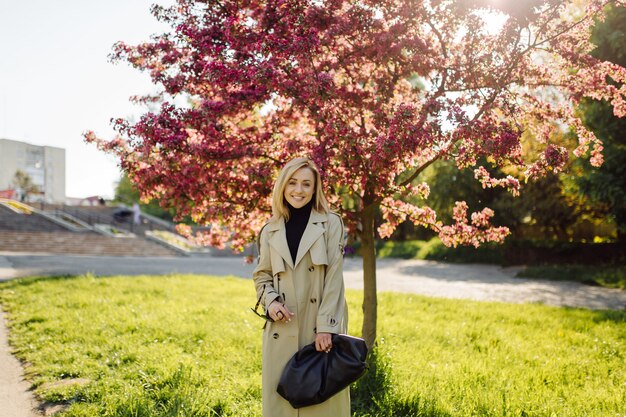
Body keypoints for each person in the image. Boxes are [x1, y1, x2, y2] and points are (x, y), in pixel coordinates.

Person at [253, 157, 349, 417]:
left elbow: (334, 279)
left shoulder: (331, 223)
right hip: (282, 329)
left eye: (306, 184)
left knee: (321, 405)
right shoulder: (269, 230)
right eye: (293, 182)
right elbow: (262, 276)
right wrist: (271, 302)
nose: (299, 190)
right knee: (281, 405)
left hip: (318, 327)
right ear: (282, 186)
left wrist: (327, 327)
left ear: (315, 188)